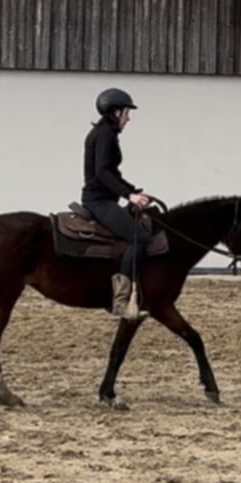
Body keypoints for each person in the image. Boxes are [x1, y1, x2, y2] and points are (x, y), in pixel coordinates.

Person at [81, 87, 152, 320]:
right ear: (115, 112)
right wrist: (128, 197)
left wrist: (133, 191)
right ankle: (121, 302)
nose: (128, 118)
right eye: (126, 113)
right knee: (139, 237)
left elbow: (112, 172)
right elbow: (102, 173)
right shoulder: (105, 135)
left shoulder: (105, 133)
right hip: (98, 201)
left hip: (105, 198)